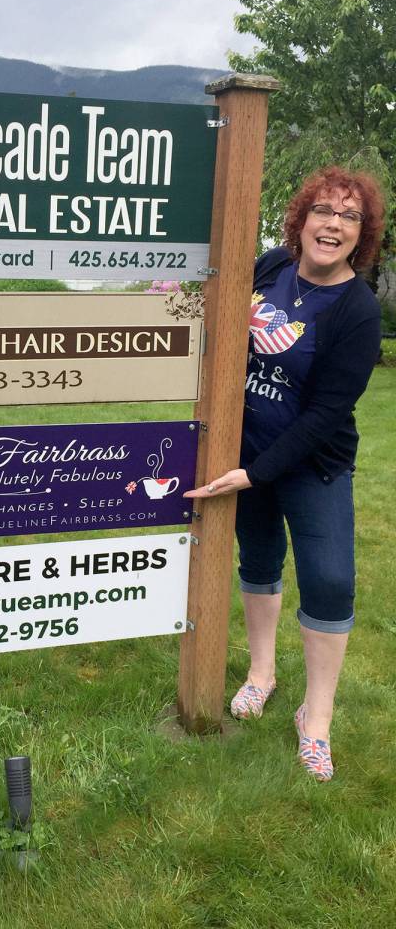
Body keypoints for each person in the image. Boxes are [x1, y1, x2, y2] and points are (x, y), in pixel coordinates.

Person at [184, 166, 385, 782]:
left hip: (310, 466)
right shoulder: (270, 267)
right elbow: (215, 330)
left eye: (349, 217)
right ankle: (261, 674)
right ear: (301, 220)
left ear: (362, 234)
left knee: (328, 580)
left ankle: (315, 719)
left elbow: (327, 414)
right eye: (324, 210)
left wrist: (254, 472)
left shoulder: (357, 309)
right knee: (260, 562)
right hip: (246, 453)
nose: (333, 225)